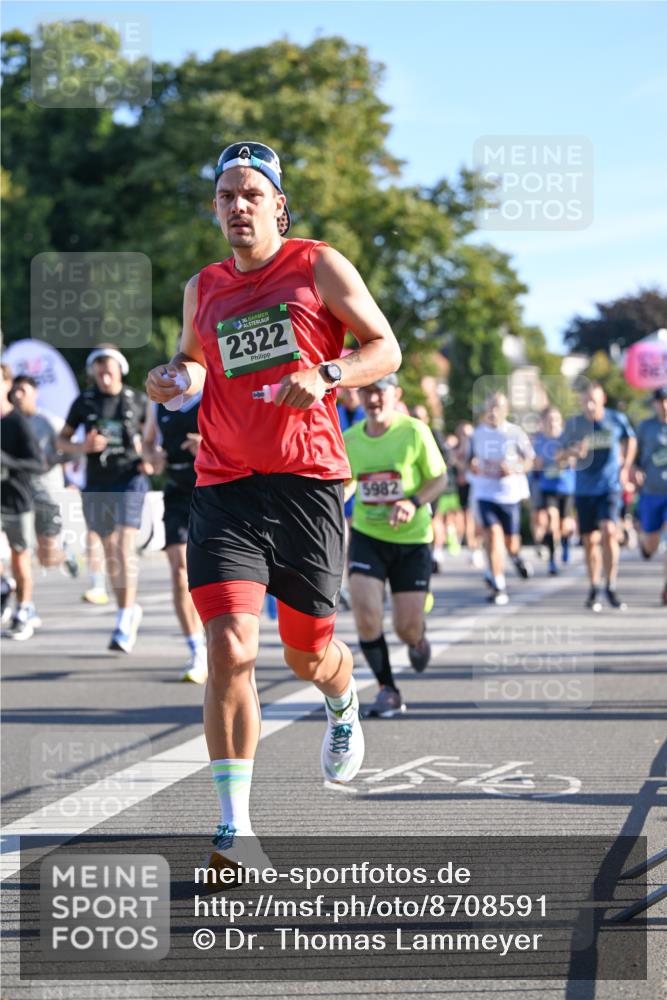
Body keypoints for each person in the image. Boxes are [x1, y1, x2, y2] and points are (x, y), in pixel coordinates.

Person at [144, 140, 401, 868]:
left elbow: (384, 349)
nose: (237, 207)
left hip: (308, 484)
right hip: (224, 483)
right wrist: (173, 376)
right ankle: (234, 826)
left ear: (278, 204)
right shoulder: (203, 286)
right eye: (225, 196)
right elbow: (194, 360)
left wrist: (328, 372)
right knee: (228, 646)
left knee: (305, 652)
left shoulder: (318, 264)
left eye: (250, 194)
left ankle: (342, 698)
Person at [344, 376, 447, 718]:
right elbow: (346, 484)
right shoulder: (351, 439)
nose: (373, 398)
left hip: (412, 541)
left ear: (395, 394)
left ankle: (417, 639)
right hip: (367, 537)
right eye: (367, 391)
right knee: (366, 616)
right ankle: (387, 689)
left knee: (406, 627)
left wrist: (414, 501)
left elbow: (439, 478)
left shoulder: (414, 431)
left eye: (380, 391)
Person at [57, 345, 149, 651]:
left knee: (124, 547)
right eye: (97, 367)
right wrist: (83, 447)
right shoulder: (84, 402)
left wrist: (149, 456)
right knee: (111, 553)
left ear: (119, 369)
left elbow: (152, 436)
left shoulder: (136, 399)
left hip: (130, 477)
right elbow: (62, 440)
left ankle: (124, 617)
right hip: (97, 483)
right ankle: (128, 610)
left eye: (107, 366)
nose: (102, 372)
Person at [142, 391, 207, 681]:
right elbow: (146, 444)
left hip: (211, 487)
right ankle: (196, 650)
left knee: (211, 573)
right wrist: (152, 456)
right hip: (177, 491)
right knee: (180, 573)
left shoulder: (213, 391)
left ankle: (217, 641)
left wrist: (206, 445)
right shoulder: (158, 402)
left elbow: (239, 437)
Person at [560, 383, 636, 611]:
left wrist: (626, 466)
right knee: (590, 541)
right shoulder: (575, 424)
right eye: (586, 401)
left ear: (603, 399)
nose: (590, 406)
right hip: (584, 490)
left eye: (594, 400)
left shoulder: (616, 419)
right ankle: (594, 587)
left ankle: (610, 585)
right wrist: (573, 452)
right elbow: (559, 455)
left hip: (609, 486)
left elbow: (630, 440)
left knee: (609, 531)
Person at [468, 392, 534, 605]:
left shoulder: (515, 433)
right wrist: (472, 466)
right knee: (493, 536)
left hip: (509, 494)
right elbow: (467, 461)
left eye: (498, 408)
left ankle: (516, 557)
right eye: (490, 408)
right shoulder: (477, 434)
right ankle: (498, 583)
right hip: (485, 493)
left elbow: (530, 461)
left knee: (510, 543)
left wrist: (513, 468)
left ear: (506, 410)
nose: (493, 412)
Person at [10, 375, 79, 579]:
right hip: (17, 494)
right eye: (15, 391)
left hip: (46, 493)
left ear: (35, 393)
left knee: (46, 557)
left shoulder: (48, 421)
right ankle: (22, 599)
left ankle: (65, 555)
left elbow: (74, 450)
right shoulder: (9, 423)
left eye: (23, 390)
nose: (18, 395)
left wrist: (52, 460)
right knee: (20, 550)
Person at [0, 363, 44, 639]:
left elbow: (38, 463)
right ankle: (5, 588)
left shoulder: (17, 421)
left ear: (7, 384)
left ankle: (24, 609)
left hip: (16, 499)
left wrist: (7, 463)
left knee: (20, 559)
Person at [532, 406, 576, 575]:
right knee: (551, 519)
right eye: (549, 420)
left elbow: (573, 459)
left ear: (560, 421)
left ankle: (565, 542)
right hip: (547, 487)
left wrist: (564, 459)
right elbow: (535, 464)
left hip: (566, 487)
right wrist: (538, 464)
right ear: (543, 422)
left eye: (555, 419)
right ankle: (552, 561)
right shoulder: (539, 441)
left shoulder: (566, 438)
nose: (552, 423)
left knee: (564, 526)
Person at [634, 386, 667, 605]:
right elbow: (632, 456)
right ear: (654, 403)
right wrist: (634, 469)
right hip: (651, 492)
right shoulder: (645, 427)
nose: (664, 405)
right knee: (652, 544)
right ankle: (645, 545)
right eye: (660, 401)